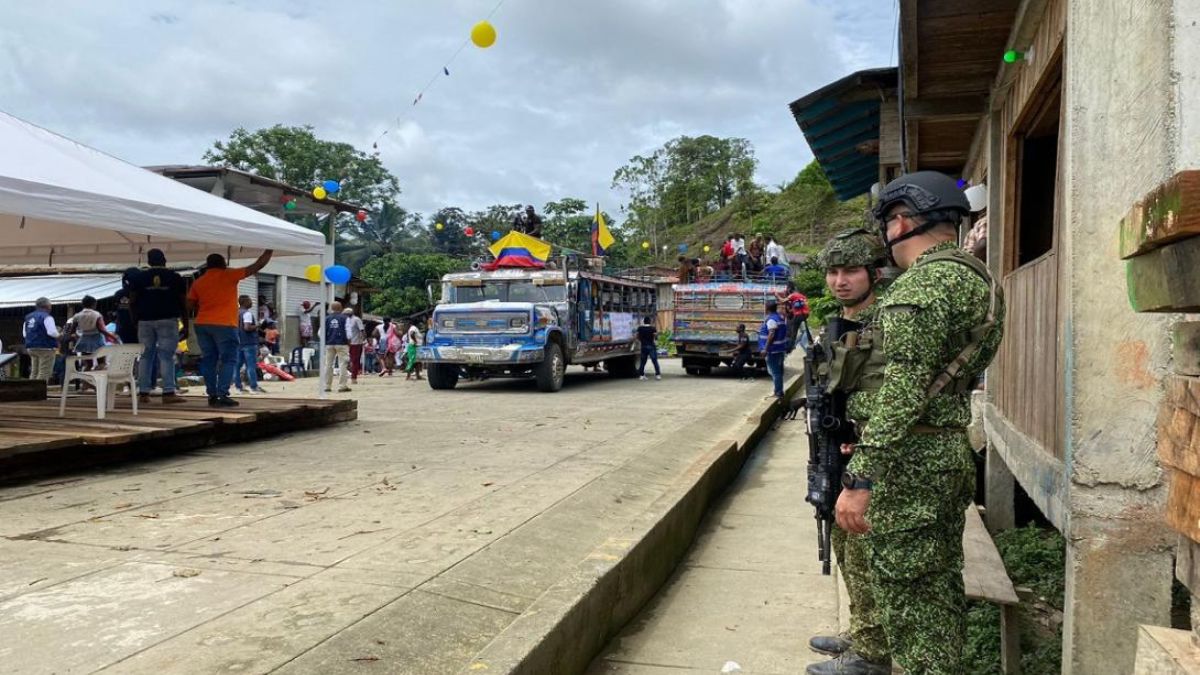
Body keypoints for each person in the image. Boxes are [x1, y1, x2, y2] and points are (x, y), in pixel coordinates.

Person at [834, 171, 1004, 675]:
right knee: (936, 589)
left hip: (911, 463)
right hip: (945, 450)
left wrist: (860, 478)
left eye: (887, 224)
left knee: (910, 603)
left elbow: (902, 392)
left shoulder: (922, 286)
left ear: (902, 221)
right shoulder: (978, 279)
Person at [806, 228, 891, 675]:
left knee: (861, 544)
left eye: (851, 271)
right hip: (840, 446)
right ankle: (862, 631)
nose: (841, 280)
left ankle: (873, 653)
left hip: (873, 452)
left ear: (873, 274)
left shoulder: (887, 320)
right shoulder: (838, 325)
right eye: (833, 272)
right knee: (842, 537)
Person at [187, 249, 273, 407]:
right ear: (223, 264)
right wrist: (269, 251)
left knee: (209, 360)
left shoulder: (198, 282)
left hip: (202, 324)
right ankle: (222, 394)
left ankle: (212, 395)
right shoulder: (229, 274)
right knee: (228, 360)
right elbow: (256, 266)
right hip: (224, 324)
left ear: (207, 265)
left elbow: (189, 304)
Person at [128, 249, 188, 404]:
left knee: (145, 356)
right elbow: (183, 302)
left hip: (145, 321)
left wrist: (135, 320)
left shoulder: (139, 278)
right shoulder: (175, 278)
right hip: (168, 319)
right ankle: (168, 393)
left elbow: (132, 301)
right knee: (167, 356)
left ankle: (143, 393)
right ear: (165, 260)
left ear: (148, 262)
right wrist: (186, 324)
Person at [234, 295, 266, 395]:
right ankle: (253, 387)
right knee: (251, 366)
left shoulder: (236, 313)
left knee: (237, 366)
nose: (251, 302)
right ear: (244, 302)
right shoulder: (247, 314)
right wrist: (258, 325)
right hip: (248, 343)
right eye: (250, 301)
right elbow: (247, 327)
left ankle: (238, 388)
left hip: (238, 343)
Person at [23, 297, 59, 382]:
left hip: (31, 348)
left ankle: (30, 392)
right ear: (47, 306)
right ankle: (38, 393)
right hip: (46, 348)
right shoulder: (47, 317)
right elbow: (52, 332)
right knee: (44, 373)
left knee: (34, 372)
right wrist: (60, 335)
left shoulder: (28, 317)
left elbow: (25, 334)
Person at [757, 300, 788, 398]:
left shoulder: (771, 319)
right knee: (778, 371)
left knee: (775, 372)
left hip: (772, 350)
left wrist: (765, 349)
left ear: (767, 308)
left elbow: (771, 333)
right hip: (779, 349)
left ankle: (778, 392)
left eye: (765, 307)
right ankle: (779, 390)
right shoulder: (780, 318)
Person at [321, 301, 352, 393]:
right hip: (342, 343)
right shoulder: (345, 318)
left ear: (331, 308)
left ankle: (327, 386)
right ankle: (342, 386)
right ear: (341, 308)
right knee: (343, 364)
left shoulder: (326, 319)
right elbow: (349, 333)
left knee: (328, 365)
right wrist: (348, 343)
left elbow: (320, 333)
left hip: (329, 344)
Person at [636, 316, 660, 380]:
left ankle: (641, 375)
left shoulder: (640, 328)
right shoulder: (652, 328)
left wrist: (641, 340)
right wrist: (656, 338)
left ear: (644, 321)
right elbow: (656, 336)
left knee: (643, 362)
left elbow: (637, 336)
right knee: (654, 361)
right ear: (650, 321)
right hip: (651, 346)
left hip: (643, 346)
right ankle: (657, 375)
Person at [346, 308, 366, 384]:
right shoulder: (346, 320)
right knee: (348, 360)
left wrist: (364, 339)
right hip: (348, 343)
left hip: (356, 343)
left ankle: (354, 377)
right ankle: (351, 374)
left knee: (355, 360)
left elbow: (362, 330)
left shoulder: (356, 319)